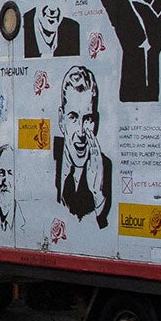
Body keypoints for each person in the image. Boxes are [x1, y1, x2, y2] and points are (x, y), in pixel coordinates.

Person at [52, 64, 111, 227]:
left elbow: (102, 232)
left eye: (88, 119)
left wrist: (97, 194)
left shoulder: (105, 167)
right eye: (73, 117)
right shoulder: (49, 158)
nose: (81, 132)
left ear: (96, 122)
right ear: (61, 120)